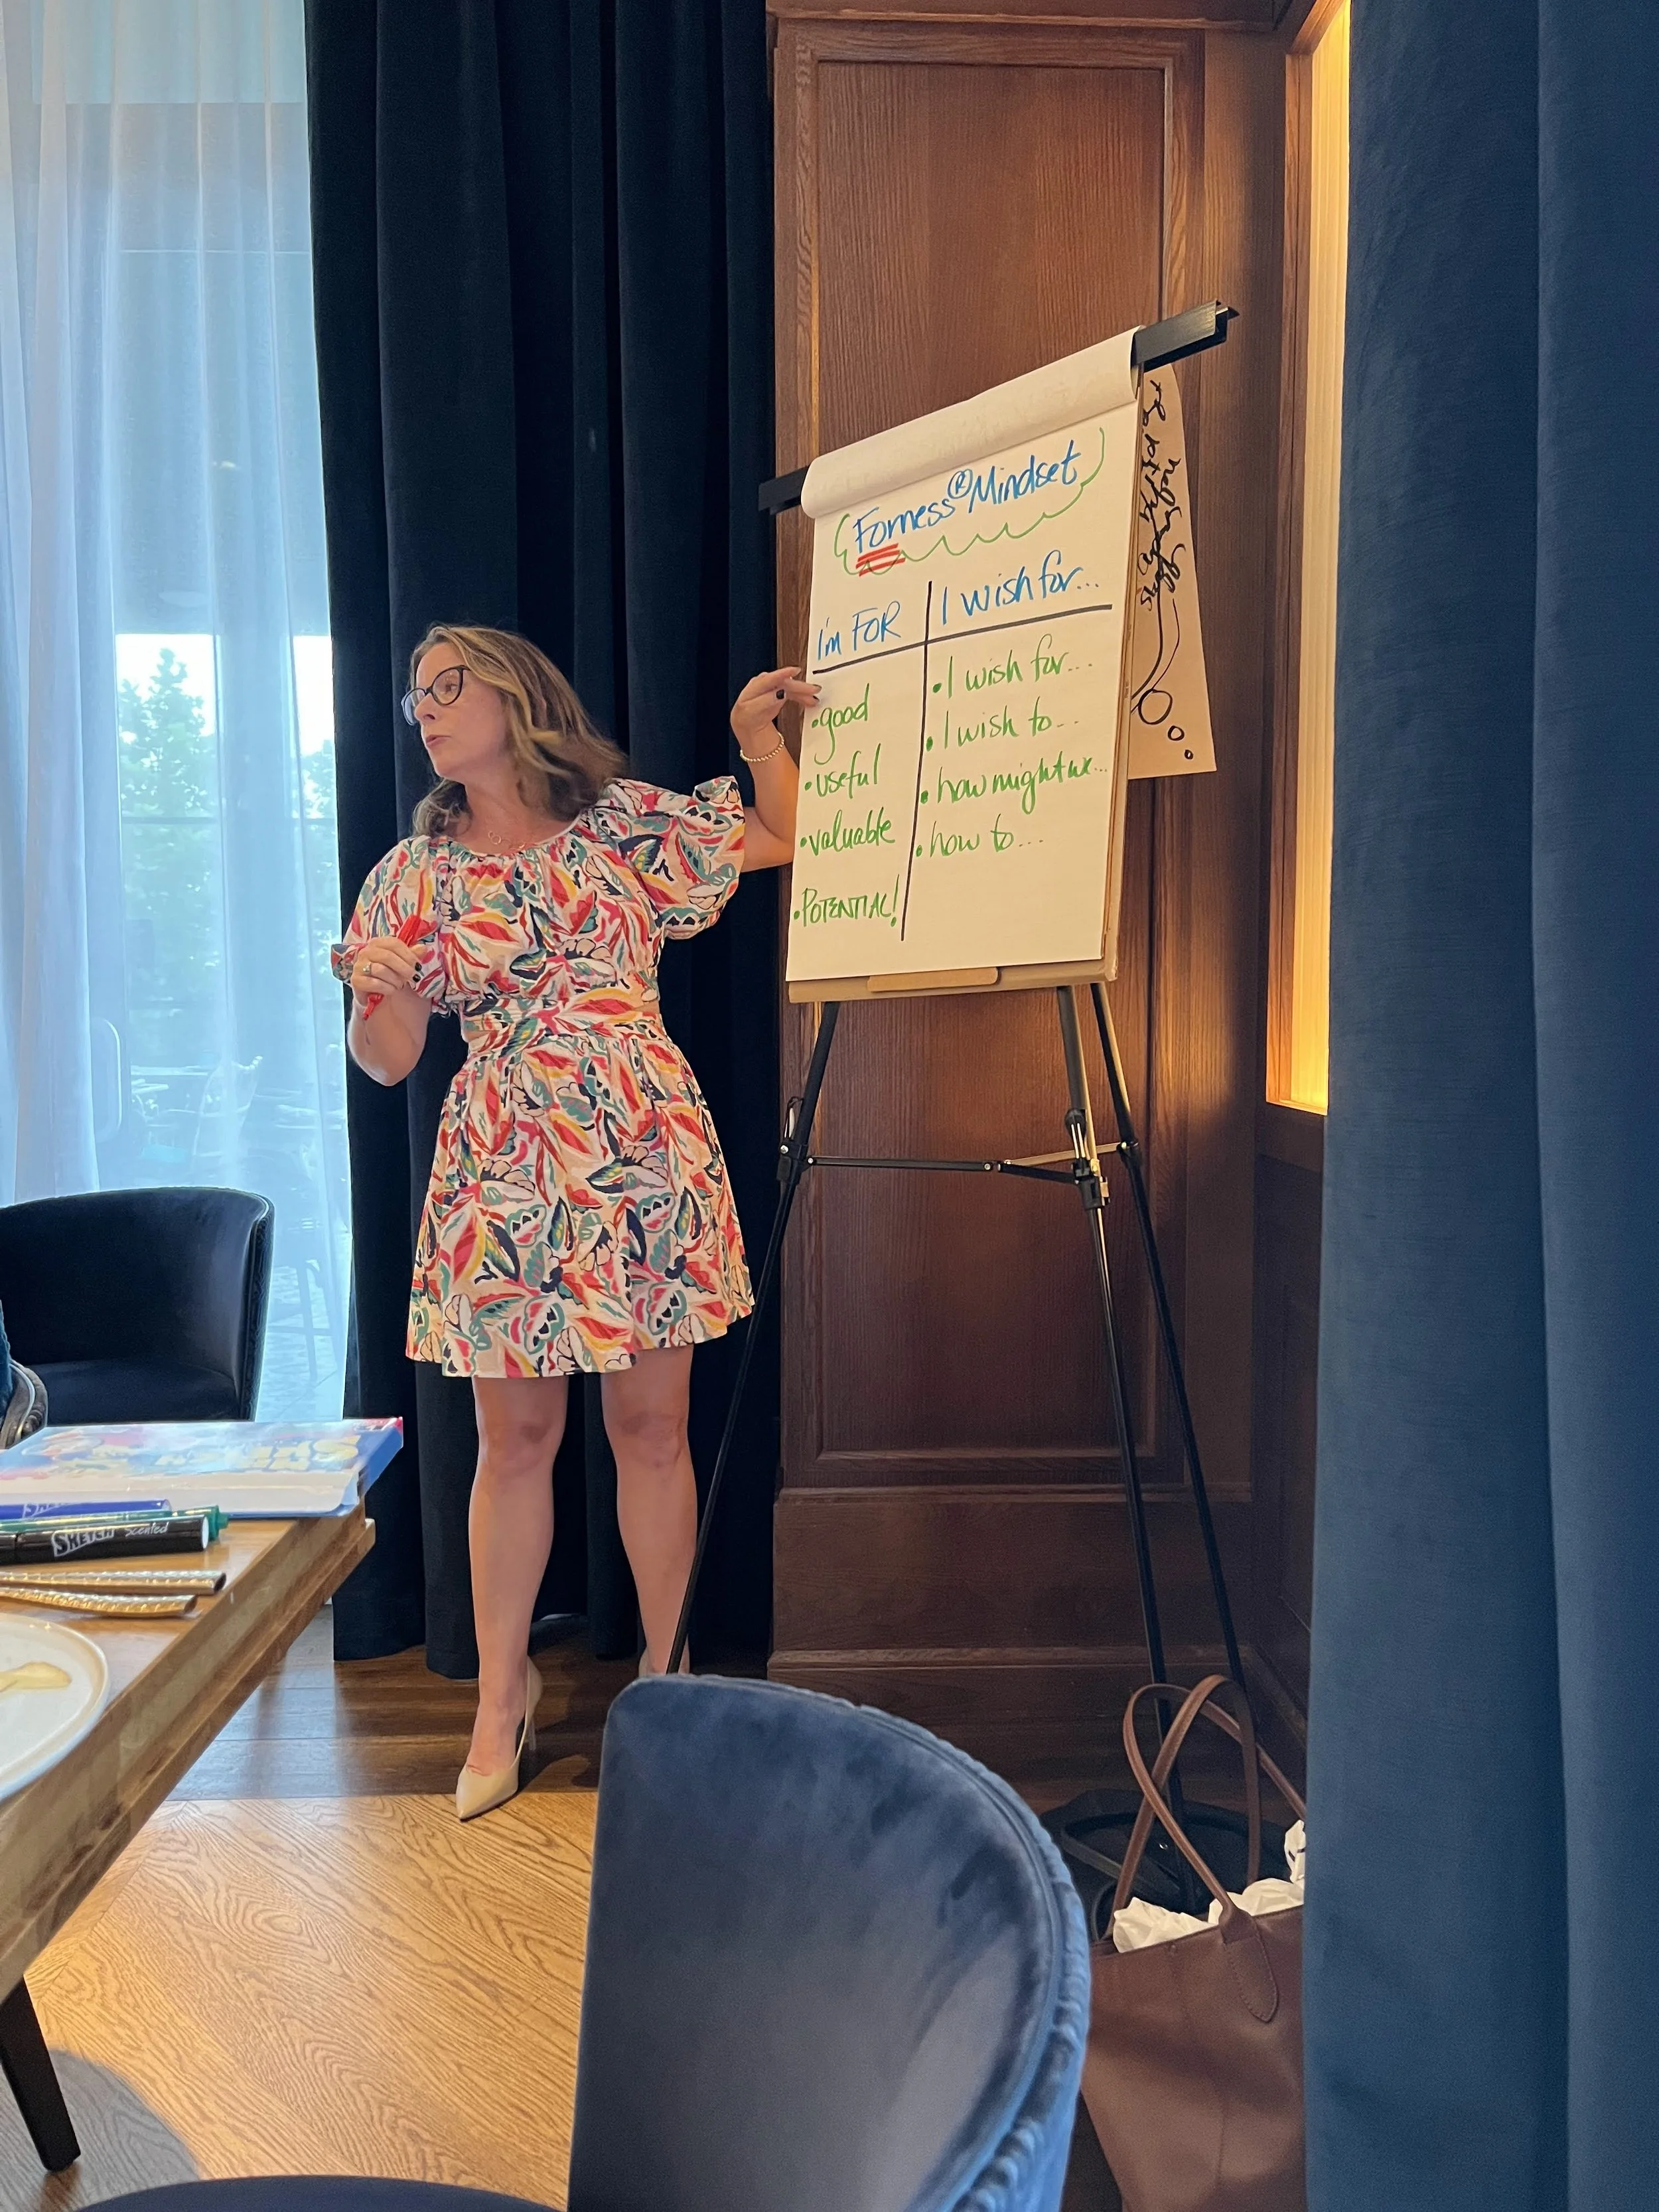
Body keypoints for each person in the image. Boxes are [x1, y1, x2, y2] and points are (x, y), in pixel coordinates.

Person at [334, 624, 815, 1820]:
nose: (429, 710)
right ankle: (503, 1698)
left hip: (641, 1143)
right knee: (514, 1442)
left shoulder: (620, 825)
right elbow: (387, 1063)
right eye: (416, 698)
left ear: (517, 693)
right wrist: (378, 993)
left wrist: (759, 744)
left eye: (452, 686)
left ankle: (672, 1675)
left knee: (655, 1431)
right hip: (505, 1166)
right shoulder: (415, 872)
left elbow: (786, 835)